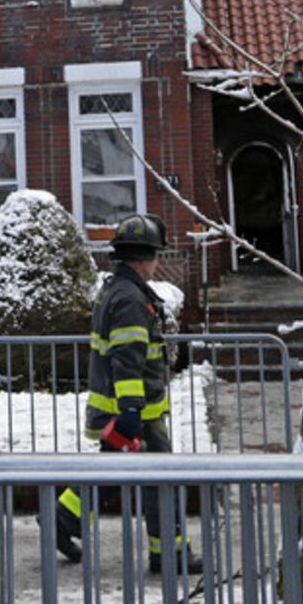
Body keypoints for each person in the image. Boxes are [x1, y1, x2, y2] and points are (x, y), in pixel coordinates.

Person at [54, 213, 202, 575]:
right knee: (161, 478)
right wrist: (132, 409)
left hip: (125, 408)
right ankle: (169, 553)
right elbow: (128, 359)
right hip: (137, 412)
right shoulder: (131, 300)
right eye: (155, 257)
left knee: (109, 471)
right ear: (144, 258)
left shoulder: (118, 290)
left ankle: (63, 518)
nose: (156, 265)